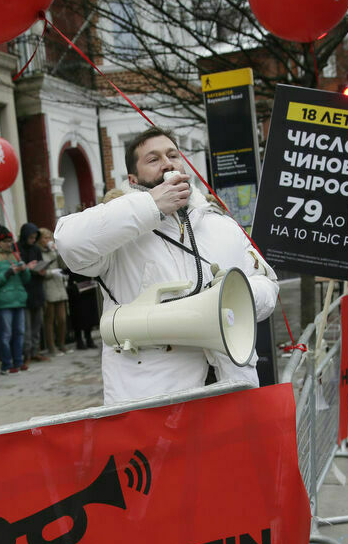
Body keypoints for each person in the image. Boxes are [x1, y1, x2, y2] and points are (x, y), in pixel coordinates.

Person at [54, 126, 279, 405]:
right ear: (133, 178)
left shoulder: (220, 224)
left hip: (231, 387)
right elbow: (68, 242)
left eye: (172, 154)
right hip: (153, 397)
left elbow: (268, 284)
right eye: (153, 159)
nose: (167, 163)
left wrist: (233, 298)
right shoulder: (117, 232)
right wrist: (152, 206)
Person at [0, 222, 29, 375]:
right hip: (3, 302)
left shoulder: (15, 254)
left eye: (10, 241)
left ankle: (19, 361)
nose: (9, 244)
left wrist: (24, 270)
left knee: (20, 332)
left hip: (19, 299)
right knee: (6, 335)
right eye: (5, 241)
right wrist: (7, 273)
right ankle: (6, 364)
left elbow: (26, 280)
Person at [17, 222, 48, 364]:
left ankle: (36, 350)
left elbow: (41, 263)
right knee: (26, 327)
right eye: (31, 237)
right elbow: (19, 268)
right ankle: (26, 354)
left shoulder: (36, 249)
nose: (33, 240)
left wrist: (41, 270)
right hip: (25, 291)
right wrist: (28, 268)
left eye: (35, 237)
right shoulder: (17, 248)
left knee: (37, 324)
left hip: (37, 289)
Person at [38, 228, 69, 356]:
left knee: (62, 318)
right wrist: (51, 273)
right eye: (45, 238)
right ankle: (52, 347)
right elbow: (40, 271)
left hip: (59, 286)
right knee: (49, 319)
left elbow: (63, 266)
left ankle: (62, 343)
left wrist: (59, 253)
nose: (48, 240)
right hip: (48, 286)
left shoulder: (53, 251)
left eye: (50, 237)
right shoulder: (39, 253)